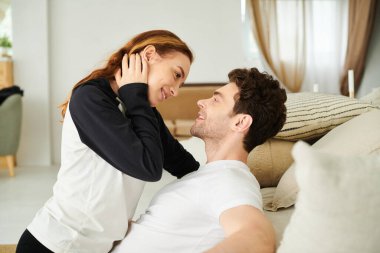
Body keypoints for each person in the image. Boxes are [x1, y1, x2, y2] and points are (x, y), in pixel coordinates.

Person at [16, 30, 200, 253]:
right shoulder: (90, 98)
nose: (175, 91)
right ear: (150, 55)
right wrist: (136, 97)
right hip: (56, 245)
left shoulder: (142, 110)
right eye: (177, 75)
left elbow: (184, 165)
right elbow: (148, 168)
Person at [111, 67, 287, 253]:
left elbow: (258, 238)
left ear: (240, 123)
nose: (201, 101)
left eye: (216, 100)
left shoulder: (230, 180)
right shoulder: (208, 175)